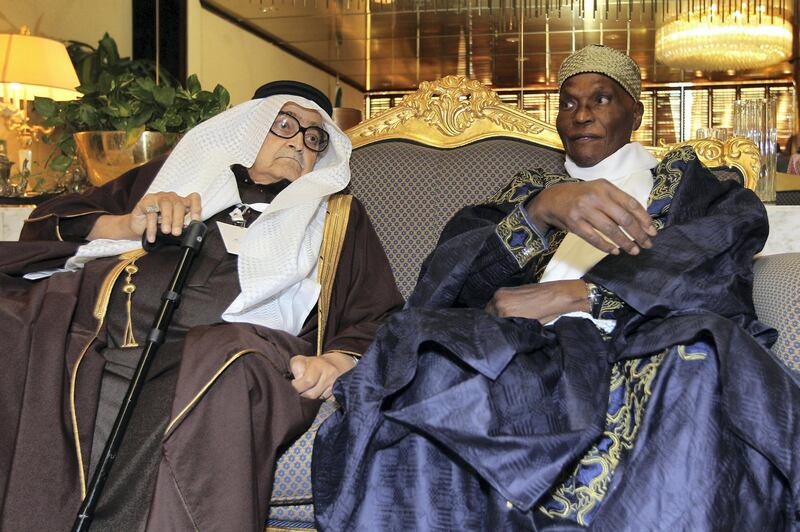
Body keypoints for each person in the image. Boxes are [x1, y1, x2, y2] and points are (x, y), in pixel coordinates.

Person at [312, 45, 800, 530]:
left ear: (636, 110)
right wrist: (541, 212)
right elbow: (444, 280)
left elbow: (719, 255)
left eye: (602, 98)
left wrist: (584, 294)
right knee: (435, 359)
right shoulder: (525, 194)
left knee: (698, 358)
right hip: (522, 344)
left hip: (641, 335)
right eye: (568, 102)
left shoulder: (694, 188)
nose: (582, 114)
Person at [0, 80, 403, 530]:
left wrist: (337, 359)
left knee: (225, 362)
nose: (298, 142)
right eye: (284, 124)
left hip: (226, 344)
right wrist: (129, 224)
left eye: (313, 137)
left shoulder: (336, 216)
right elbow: (48, 222)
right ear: (247, 129)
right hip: (100, 323)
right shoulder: (175, 177)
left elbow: (378, 312)